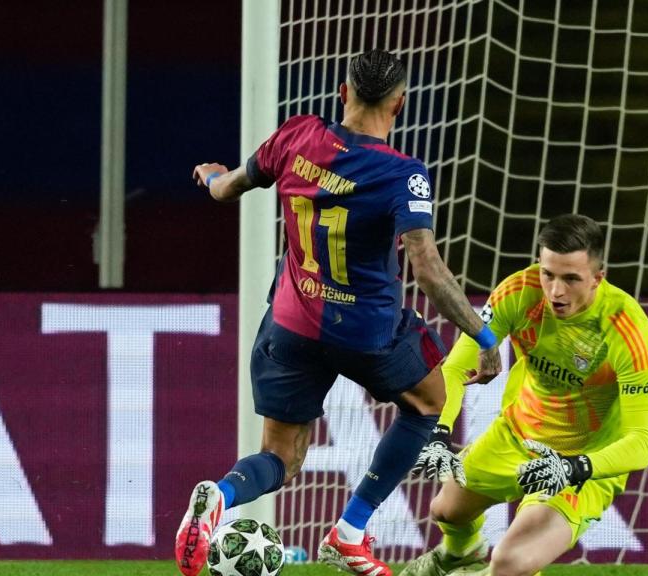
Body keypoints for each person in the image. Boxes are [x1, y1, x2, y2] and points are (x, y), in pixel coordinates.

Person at [175, 49, 503, 576]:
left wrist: (213, 177)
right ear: (399, 104)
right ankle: (350, 531)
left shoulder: (296, 134)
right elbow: (428, 270)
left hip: (291, 324)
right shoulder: (404, 174)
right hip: (367, 332)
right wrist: (485, 339)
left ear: (342, 94)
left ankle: (220, 495)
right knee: (428, 403)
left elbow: (226, 188)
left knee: (281, 457)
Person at [404, 214, 648, 576]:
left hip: (580, 461)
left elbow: (642, 442)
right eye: (548, 274)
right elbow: (454, 368)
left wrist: (574, 468)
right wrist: (439, 433)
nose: (556, 291)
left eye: (571, 279)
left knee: (509, 564)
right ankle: (460, 554)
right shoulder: (519, 292)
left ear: (597, 278)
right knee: (446, 510)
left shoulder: (626, 329)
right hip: (518, 433)